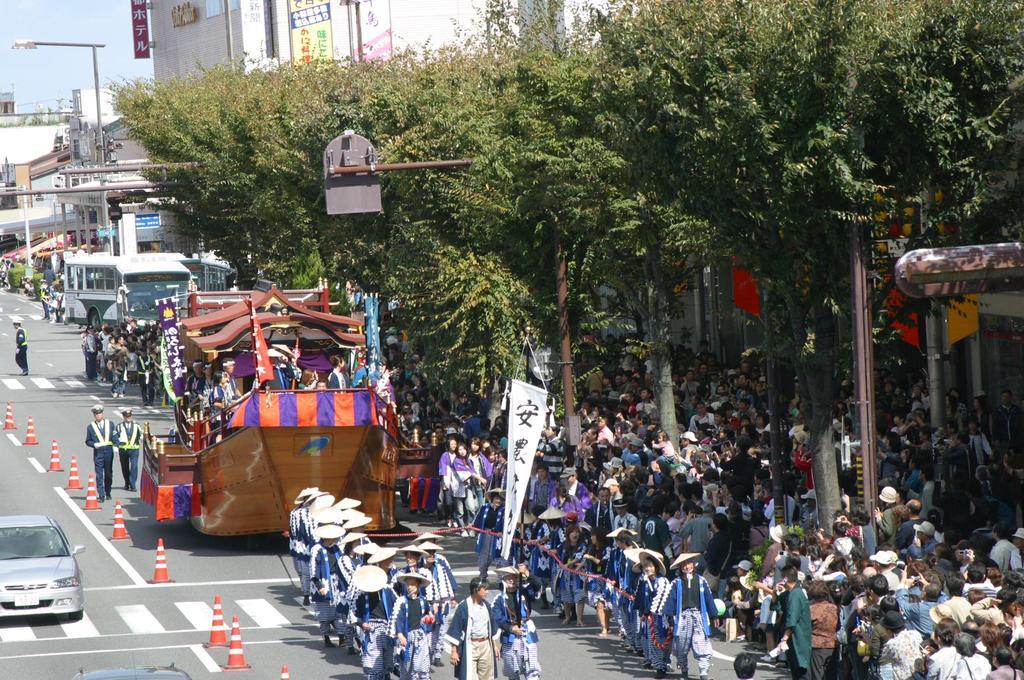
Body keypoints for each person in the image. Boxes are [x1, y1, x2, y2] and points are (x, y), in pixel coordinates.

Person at [658, 552, 716, 680]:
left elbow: (708, 598)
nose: (686, 566)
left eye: (688, 563)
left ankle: (703, 672)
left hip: (698, 616)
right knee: (681, 647)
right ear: (680, 567)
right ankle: (684, 671)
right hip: (682, 618)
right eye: (683, 564)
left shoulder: (701, 581)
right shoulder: (675, 583)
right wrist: (670, 621)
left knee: (701, 643)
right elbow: (670, 602)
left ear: (693, 565)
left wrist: (714, 615)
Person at [444, 577, 500, 680]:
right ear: (476, 590)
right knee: (469, 676)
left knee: (486, 676)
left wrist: (495, 645)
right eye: (485, 589)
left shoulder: (486, 606)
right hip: (471, 646)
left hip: (486, 645)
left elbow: (491, 627)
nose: (487, 592)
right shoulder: (464, 607)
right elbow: (455, 629)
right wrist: (454, 651)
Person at [493, 564, 542, 680]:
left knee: (532, 669)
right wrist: (510, 628)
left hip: (527, 634)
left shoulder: (524, 593)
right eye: (508, 577)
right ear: (503, 580)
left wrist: (526, 573)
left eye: (514, 577)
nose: (512, 580)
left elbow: (538, 586)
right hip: (510, 636)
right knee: (512, 672)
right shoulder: (499, 599)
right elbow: (496, 618)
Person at [354, 564, 399, 680]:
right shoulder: (361, 593)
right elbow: (353, 613)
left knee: (388, 659)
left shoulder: (387, 589)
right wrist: (361, 624)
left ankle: (386, 673)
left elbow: (399, 606)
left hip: (387, 628)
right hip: (371, 628)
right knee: (373, 662)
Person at [390, 569, 436, 680]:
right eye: (408, 584)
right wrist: (400, 634)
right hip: (407, 635)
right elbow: (398, 619)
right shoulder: (402, 601)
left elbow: (426, 614)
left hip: (420, 636)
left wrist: (427, 618)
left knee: (421, 666)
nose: (409, 587)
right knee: (407, 667)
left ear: (418, 586)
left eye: (412, 584)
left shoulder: (422, 601)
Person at [310, 522, 347, 647]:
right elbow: (313, 570)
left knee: (339, 611)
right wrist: (319, 586)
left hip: (336, 582)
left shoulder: (337, 549)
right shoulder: (317, 549)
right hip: (323, 582)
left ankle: (342, 637)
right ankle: (326, 637)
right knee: (324, 613)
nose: (335, 539)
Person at [289, 488, 321, 606]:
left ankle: (307, 593)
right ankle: (309, 592)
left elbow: (294, 532)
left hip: (304, 545)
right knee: (313, 569)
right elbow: (295, 531)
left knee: (305, 571)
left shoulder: (295, 513)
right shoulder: (297, 513)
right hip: (310, 545)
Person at [778, 566, 811, 680]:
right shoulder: (793, 592)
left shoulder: (795, 594)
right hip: (797, 637)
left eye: (781, 577)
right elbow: (778, 604)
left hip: (798, 638)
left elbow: (792, 618)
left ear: (786, 579)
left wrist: (784, 639)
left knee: (800, 672)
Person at [473, 488, 507, 579]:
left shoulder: (505, 510)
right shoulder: (485, 507)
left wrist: (502, 532)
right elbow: (478, 519)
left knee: (499, 556)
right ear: (492, 498)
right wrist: (475, 527)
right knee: (484, 555)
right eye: (496, 498)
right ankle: (482, 575)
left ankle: (501, 579)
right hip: (486, 535)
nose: (498, 501)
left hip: (499, 536)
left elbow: (507, 523)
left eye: (500, 499)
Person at [85, 404, 115, 502]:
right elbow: (88, 441)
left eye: (99, 413)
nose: (98, 415)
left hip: (108, 452)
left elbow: (114, 437)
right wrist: (94, 444)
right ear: (94, 415)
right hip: (98, 453)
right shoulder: (90, 427)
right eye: (96, 414)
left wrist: (118, 446)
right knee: (99, 475)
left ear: (102, 413)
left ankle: (108, 491)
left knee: (108, 474)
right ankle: (101, 494)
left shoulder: (110, 424)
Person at [114, 409, 142, 492]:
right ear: (123, 417)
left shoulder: (137, 425)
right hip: (123, 449)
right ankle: (127, 482)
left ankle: (133, 485)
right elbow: (115, 437)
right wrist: (116, 446)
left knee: (134, 466)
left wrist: (141, 438)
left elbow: (141, 434)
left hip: (134, 449)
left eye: (129, 416)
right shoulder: (119, 426)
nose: (128, 418)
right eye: (126, 417)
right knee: (124, 467)